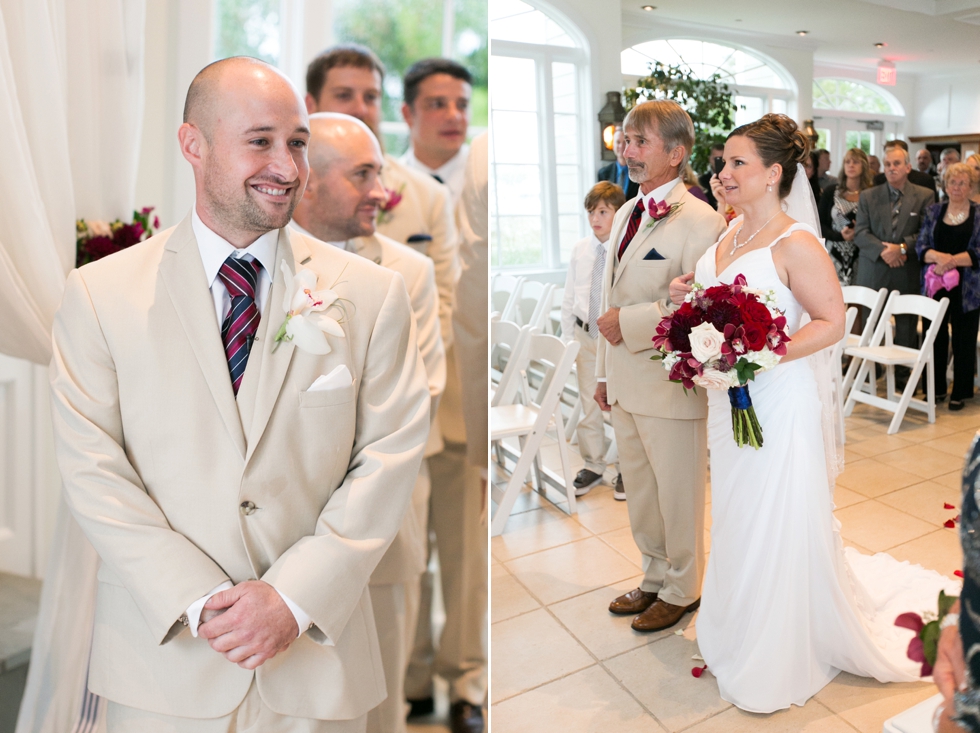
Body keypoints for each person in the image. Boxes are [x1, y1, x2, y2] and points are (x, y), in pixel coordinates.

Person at [48, 57, 430, 731]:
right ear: (193, 144)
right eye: (261, 141)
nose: (287, 167)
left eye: (299, 143)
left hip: (317, 660)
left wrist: (292, 596)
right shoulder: (100, 296)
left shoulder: (371, 294)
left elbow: (390, 454)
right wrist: (200, 601)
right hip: (164, 662)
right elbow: (93, 470)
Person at [669, 113, 959, 713]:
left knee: (776, 512)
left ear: (774, 173)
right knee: (738, 510)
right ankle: (737, 621)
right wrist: (689, 305)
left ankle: (779, 645)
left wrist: (760, 352)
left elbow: (833, 322)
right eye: (723, 161)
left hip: (778, 400)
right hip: (731, 400)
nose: (724, 172)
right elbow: (716, 300)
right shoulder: (726, 235)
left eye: (737, 163)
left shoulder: (795, 241)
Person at [303, 46, 484, 733]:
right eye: (344, 95)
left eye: (369, 96)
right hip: (331, 450)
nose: (360, 107)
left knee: (436, 565)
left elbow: (441, 300)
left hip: (431, 409)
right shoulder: (312, 196)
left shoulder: (416, 204)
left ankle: (458, 682)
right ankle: (405, 684)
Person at [290, 112, 445, 733]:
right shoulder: (263, 267)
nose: (382, 191)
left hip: (382, 525)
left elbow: (419, 399)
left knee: (380, 708)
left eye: (380, 172)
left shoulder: (410, 274)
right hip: (283, 537)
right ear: (307, 182)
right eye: (363, 174)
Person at [594, 100, 726, 632]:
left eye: (640, 142)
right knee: (642, 494)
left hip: (671, 384)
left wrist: (627, 322)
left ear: (676, 153)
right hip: (625, 379)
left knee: (678, 495)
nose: (628, 151)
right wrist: (603, 373)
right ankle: (652, 575)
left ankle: (683, 588)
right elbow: (607, 294)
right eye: (626, 140)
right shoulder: (626, 210)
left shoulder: (703, 220)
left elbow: (703, 310)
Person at [560, 181, 626, 500]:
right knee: (588, 401)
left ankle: (627, 467)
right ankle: (594, 463)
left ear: (618, 212)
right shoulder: (580, 249)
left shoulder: (625, 250)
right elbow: (570, 294)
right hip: (584, 332)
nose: (596, 218)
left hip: (614, 336)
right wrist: (566, 338)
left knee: (619, 402)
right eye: (591, 212)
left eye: (603, 211)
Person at [914, 162, 980, 410]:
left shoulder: (979, 213)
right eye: (953, 182)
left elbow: (978, 251)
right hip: (936, 285)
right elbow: (921, 246)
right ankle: (936, 389)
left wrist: (951, 260)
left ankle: (960, 391)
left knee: (964, 339)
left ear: (970, 186)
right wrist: (940, 259)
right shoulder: (933, 211)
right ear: (945, 185)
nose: (957, 187)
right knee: (934, 337)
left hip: (968, 290)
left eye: (962, 182)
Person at [855, 144, 934, 350]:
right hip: (874, 268)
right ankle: (870, 373)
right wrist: (886, 251)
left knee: (906, 326)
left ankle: (901, 378)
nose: (891, 168)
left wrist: (900, 248)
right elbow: (861, 233)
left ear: (908, 167)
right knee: (871, 326)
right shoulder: (868, 196)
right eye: (887, 164)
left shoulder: (925, 195)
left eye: (896, 163)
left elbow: (927, 233)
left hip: (905, 269)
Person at [399, 58, 472, 208]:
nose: (454, 116)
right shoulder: (387, 182)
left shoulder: (484, 175)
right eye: (437, 104)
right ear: (407, 114)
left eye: (462, 105)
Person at [818, 148, 875, 285]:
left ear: (864, 166)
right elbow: (820, 224)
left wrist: (859, 232)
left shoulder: (871, 194)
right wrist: (840, 236)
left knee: (859, 298)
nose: (851, 165)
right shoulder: (831, 192)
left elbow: (877, 226)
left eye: (856, 162)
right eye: (847, 162)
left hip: (861, 253)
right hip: (833, 252)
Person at [597, 125, 639, 199]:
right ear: (613, 145)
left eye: (625, 142)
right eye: (618, 142)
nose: (621, 146)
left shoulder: (640, 172)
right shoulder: (603, 174)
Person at [699, 143, 727, 210]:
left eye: (721, 159)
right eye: (716, 159)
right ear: (710, 159)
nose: (719, 162)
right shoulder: (702, 181)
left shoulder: (733, 179)